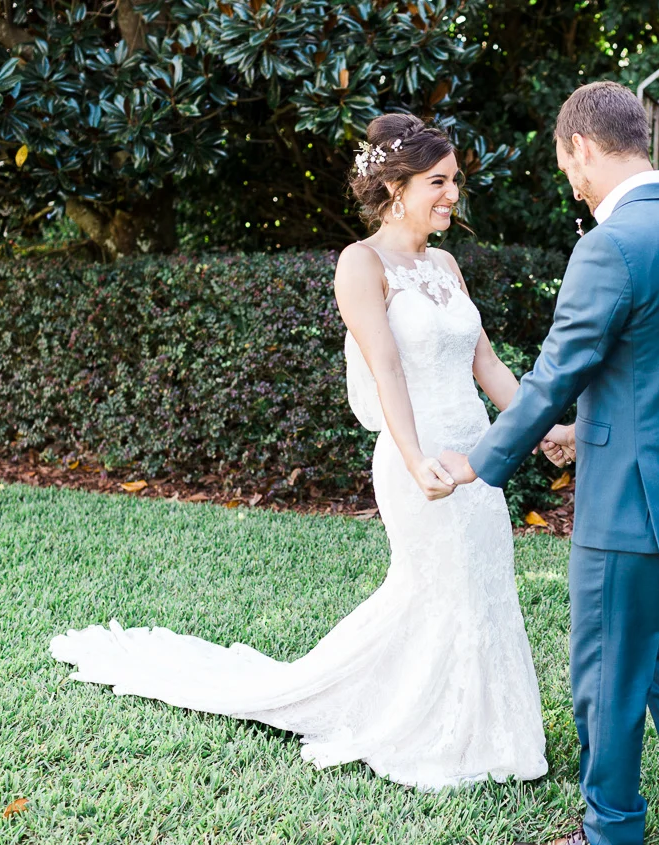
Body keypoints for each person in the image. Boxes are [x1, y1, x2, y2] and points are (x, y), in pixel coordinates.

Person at [49, 113, 560, 791]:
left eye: (455, 181)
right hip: (416, 457)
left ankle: (493, 732)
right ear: (398, 188)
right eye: (438, 182)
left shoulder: (444, 264)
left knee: (484, 584)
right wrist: (414, 458)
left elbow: (485, 364)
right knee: (443, 585)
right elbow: (386, 368)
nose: (453, 194)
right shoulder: (361, 263)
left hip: (475, 459)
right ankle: (432, 731)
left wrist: (541, 426)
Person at [439, 81, 659, 845]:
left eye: (565, 166)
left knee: (605, 663)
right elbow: (652, 367)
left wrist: (480, 460)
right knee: (649, 636)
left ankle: (610, 833)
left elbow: (557, 373)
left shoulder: (610, 245)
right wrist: (587, 431)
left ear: (581, 147)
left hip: (630, 497)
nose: (571, 185)